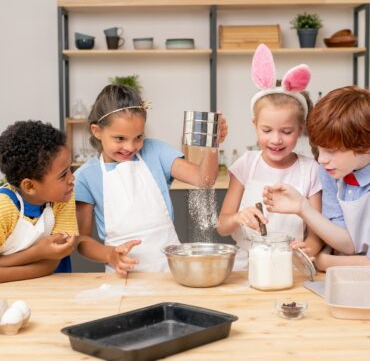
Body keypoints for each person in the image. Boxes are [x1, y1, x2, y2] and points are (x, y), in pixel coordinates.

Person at [74, 84, 228, 275]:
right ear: (97, 131)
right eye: (120, 138)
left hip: (171, 271)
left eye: (138, 137)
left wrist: (212, 144)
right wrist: (110, 255)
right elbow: (82, 241)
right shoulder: (85, 177)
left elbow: (204, 180)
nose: (130, 147)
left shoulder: (155, 151)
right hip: (123, 276)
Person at [217, 44, 322, 270]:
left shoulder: (311, 169)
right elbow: (222, 225)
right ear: (255, 125)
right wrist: (237, 218)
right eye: (267, 131)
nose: (276, 140)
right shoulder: (246, 164)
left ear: (301, 129)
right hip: (245, 266)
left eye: (286, 132)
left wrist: (306, 251)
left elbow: (317, 234)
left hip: (291, 265)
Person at [263, 86, 370, 271]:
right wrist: (302, 207)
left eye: (331, 151)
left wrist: (323, 262)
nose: (321, 159)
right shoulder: (331, 172)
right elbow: (348, 244)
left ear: (365, 146)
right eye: (319, 149)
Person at [0, 121, 78, 283]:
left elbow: (56, 257)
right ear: (29, 186)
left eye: (70, 168)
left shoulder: (64, 198)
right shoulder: (4, 209)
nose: (72, 179)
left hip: (56, 291)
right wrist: (38, 254)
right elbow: (48, 264)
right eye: (63, 175)